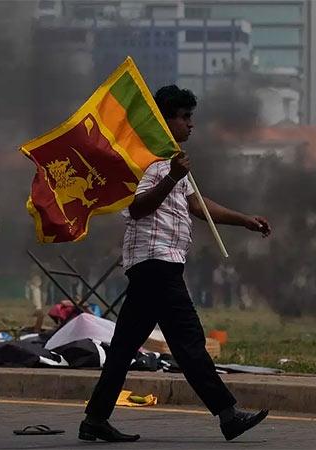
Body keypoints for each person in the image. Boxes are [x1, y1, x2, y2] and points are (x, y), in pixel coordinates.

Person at [79, 85, 272, 443]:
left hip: (155, 266)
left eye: (190, 117)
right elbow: (136, 208)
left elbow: (198, 205)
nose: (190, 125)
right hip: (157, 265)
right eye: (183, 117)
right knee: (189, 342)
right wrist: (170, 176)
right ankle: (228, 414)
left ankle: (94, 419)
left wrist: (243, 219)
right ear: (163, 121)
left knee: (123, 348)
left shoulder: (171, 160)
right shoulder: (149, 161)